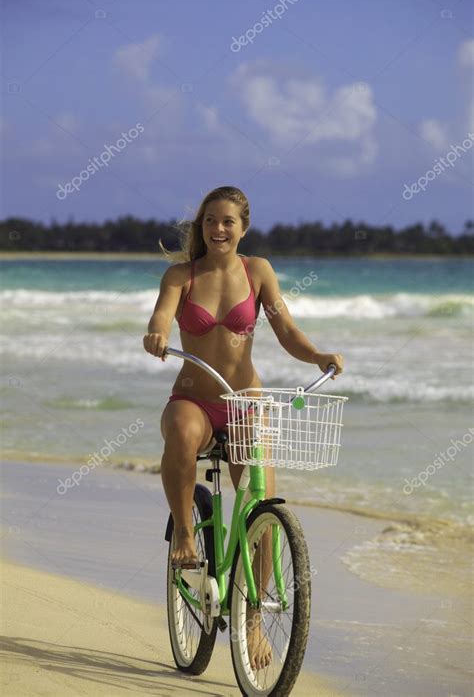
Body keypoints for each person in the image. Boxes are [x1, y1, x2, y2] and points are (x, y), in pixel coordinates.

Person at [143, 186, 344, 669]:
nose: (218, 229)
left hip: (244, 402)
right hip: (194, 397)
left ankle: (253, 619)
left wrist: (317, 355)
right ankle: (188, 535)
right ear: (201, 226)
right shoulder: (180, 275)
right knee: (184, 436)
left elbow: (286, 331)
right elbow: (162, 317)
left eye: (228, 221)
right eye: (210, 220)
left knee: (262, 506)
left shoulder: (258, 272)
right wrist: (157, 335)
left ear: (243, 227)